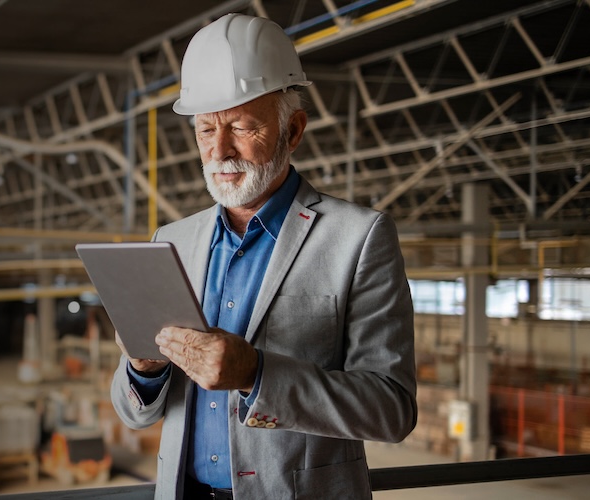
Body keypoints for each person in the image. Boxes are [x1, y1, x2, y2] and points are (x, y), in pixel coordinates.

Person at [109, 13, 417, 499]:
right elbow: (134, 412)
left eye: (241, 127)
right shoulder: (172, 239)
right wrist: (143, 372)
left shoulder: (359, 238)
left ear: (292, 130)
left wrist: (257, 374)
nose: (219, 151)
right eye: (206, 130)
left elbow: (391, 409)